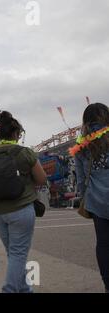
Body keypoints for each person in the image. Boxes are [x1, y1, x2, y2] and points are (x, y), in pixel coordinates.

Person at [0, 111, 47, 293]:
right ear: (15, 134)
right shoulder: (24, 153)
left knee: (13, 254)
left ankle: (24, 290)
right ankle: (10, 289)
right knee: (18, 254)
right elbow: (42, 179)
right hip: (22, 209)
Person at [72, 103, 109, 293]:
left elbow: (80, 179)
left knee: (103, 243)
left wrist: (85, 196)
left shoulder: (81, 145)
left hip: (97, 200)